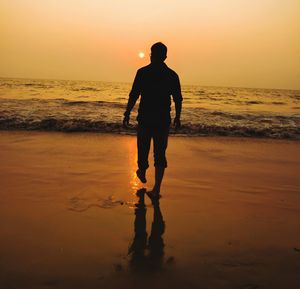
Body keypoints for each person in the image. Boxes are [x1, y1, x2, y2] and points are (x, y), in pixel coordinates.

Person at [123, 42, 183, 198]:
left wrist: (127, 113)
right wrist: (177, 117)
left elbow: (133, 95)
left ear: (153, 55)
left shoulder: (143, 72)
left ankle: (142, 171)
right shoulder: (172, 75)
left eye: (151, 53)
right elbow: (178, 99)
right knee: (159, 154)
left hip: (146, 119)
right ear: (165, 56)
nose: (151, 56)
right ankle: (156, 189)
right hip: (162, 120)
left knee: (143, 150)